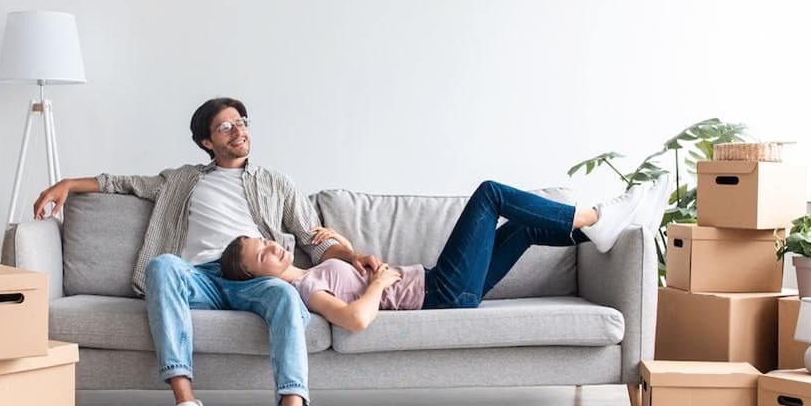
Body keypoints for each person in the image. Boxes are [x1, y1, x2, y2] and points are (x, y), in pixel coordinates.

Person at [32, 97, 380, 406]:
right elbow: (120, 183)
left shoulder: (276, 183)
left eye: (242, 122)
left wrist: (351, 254)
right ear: (206, 142)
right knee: (162, 266)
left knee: (283, 293)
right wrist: (67, 183)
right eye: (226, 127)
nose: (239, 131)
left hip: (259, 278)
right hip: (201, 278)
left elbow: (313, 238)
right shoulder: (181, 180)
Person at [218, 178, 672, 331]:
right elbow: (355, 320)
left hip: (439, 283)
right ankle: (596, 216)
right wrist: (378, 284)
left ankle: (602, 233)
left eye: (264, 241)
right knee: (490, 195)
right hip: (442, 291)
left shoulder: (317, 269)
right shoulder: (307, 290)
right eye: (263, 256)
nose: (273, 247)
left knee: (523, 228)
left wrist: (362, 260)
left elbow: (350, 276)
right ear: (261, 278)